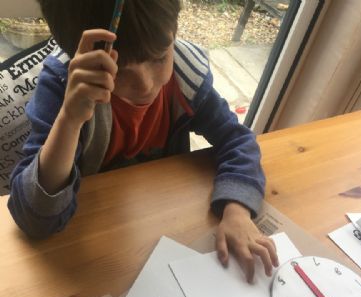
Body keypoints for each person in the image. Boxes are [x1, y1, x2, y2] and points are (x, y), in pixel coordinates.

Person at [7, 0, 278, 282]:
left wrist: (237, 210)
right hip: (89, 255)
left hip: (163, 232)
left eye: (159, 58)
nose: (146, 84)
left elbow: (237, 140)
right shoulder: (63, 86)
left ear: (174, 31)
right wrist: (69, 119)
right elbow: (35, 219)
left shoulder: (185, 77)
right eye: (120, 71)